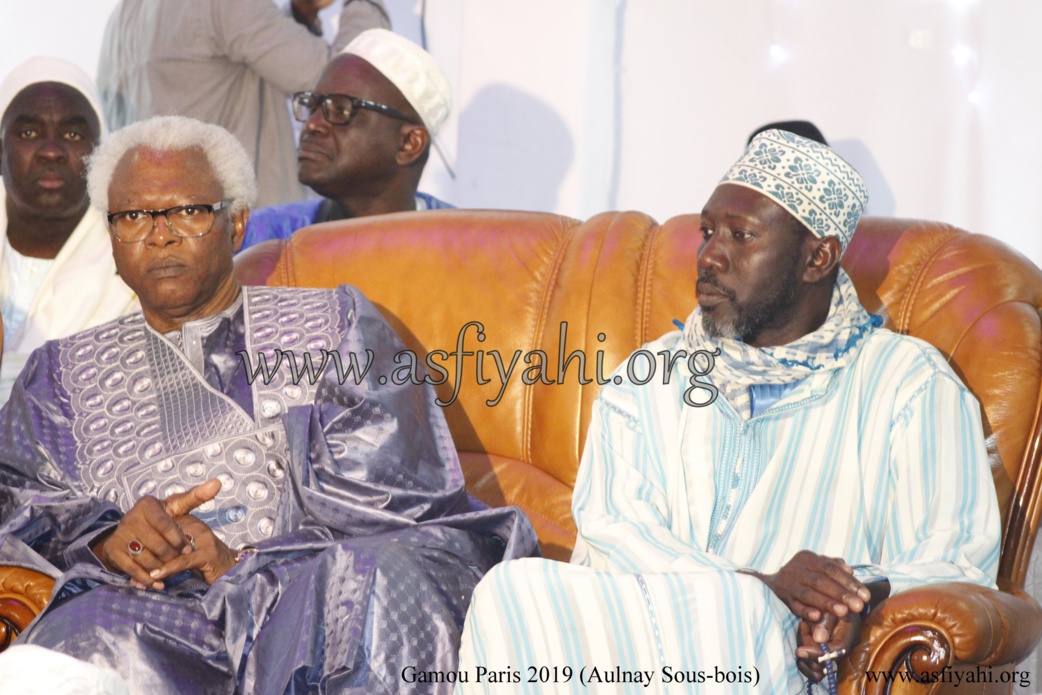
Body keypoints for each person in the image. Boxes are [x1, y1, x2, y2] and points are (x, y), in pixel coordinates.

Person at [0, 115, 537, 694]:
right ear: (111, 238)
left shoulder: (335, 325)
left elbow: (395, 497)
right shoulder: (59, 376)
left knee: (385, 575)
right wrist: (108, 540)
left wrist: (240, 561)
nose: (159, 234)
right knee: (76, 639)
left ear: (236, 225)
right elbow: (19, 499)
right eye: (133, 216)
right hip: (154, 614)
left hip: (310, 595)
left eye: (187, 210)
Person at [455, 129, 1001, 693]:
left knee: (733, 612)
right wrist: (754, 583)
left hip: (787, 658)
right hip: (645, 642)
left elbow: (956, 557)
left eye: (742, 236)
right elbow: (615, 528)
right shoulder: (652, 375)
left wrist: (848, 594)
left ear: (818, 257)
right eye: (708, 231)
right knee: (510, 589)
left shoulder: (907, 383)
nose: (710, 256)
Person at [97, 0, 391, 208]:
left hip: (179, 233)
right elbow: (344, 84)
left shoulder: (116, 24)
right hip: (250, 242)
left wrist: (300, 17)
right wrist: (367, 4)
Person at [0, 56, 138, 405]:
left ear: (100, 155)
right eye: (29, 132)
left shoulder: (133, 269)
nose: (51, 151)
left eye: (73, 134)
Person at [240, 28, 453, 251]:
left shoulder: (471, 248)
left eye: (341, 109)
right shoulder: (258, 239)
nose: (312, 124)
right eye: (313, 106)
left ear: (410, 143)